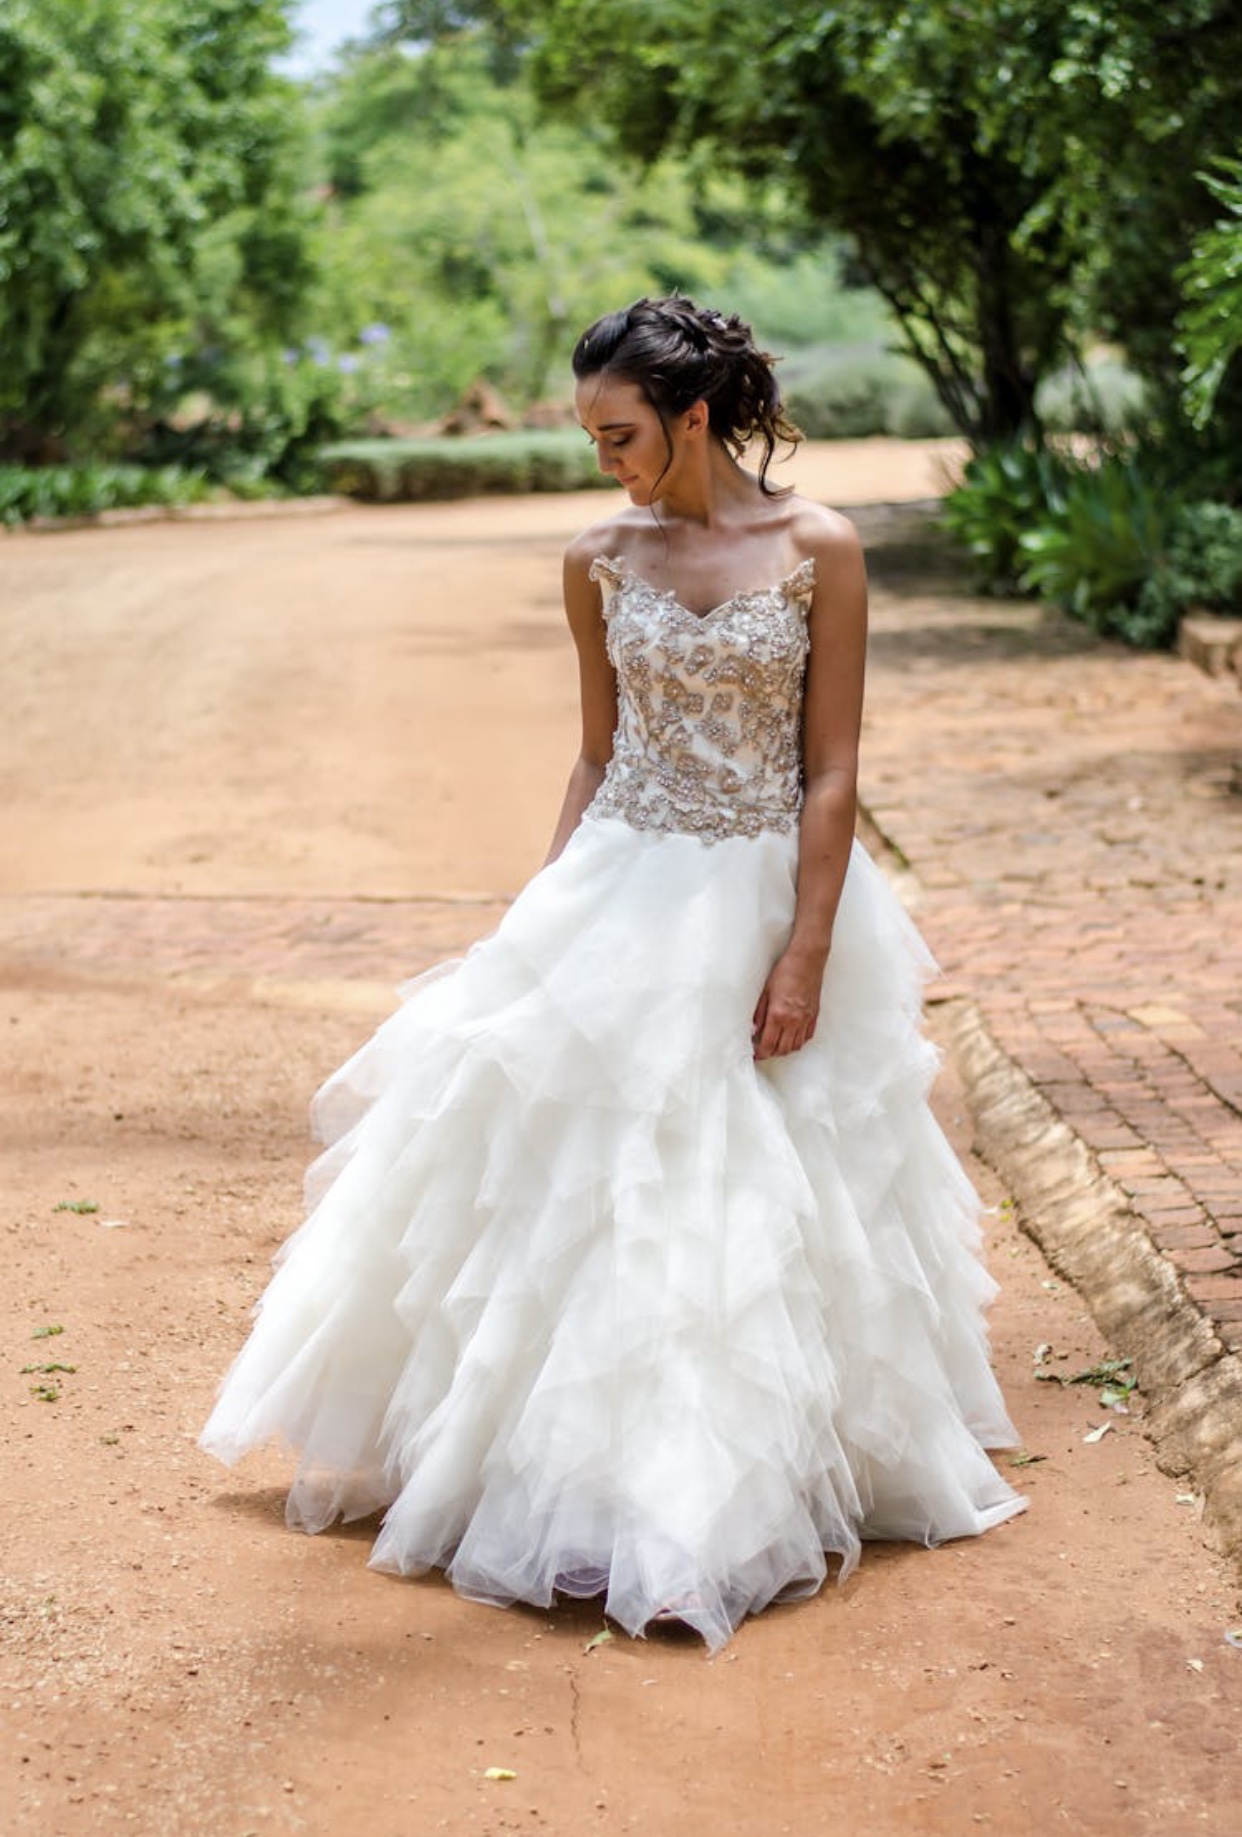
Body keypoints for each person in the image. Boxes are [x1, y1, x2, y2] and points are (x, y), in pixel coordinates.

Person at [200, 296, 1026, 1654]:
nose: (607, 461)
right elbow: (596, 750)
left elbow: (831, 772)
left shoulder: (819, 549)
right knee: (590, 1183)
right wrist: (542, 913)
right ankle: (578, 1481)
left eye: (622, 434)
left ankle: (730, 1487)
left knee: (755, 1193)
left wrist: (803, 946)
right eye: (590, 436)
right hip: (622, 877)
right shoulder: (596, 555)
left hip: (765, 885)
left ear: (694, 416)